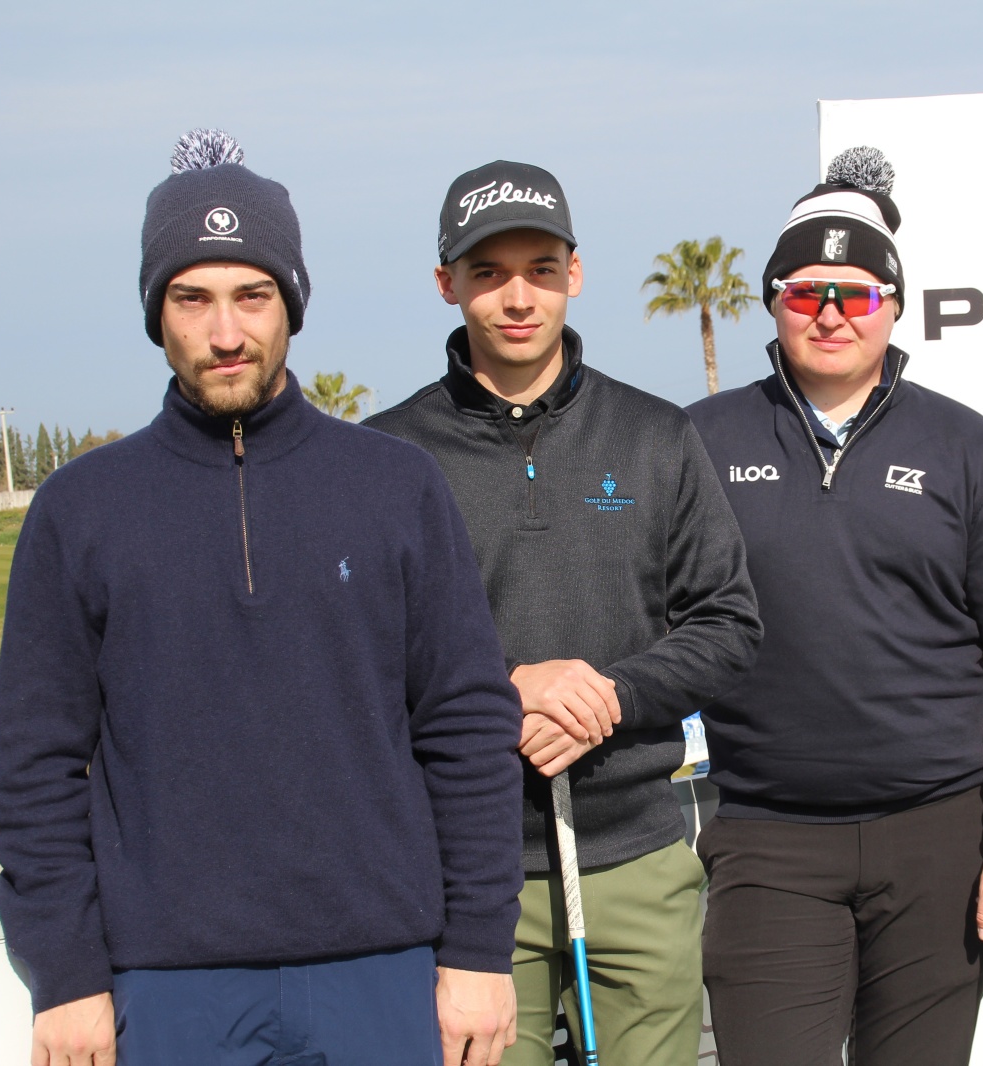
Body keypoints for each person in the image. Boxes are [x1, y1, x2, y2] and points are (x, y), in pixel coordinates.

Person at [0, 130, 524, 1066]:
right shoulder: (81, 509)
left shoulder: (395, 486)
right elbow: (36, 765)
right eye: (192, 298)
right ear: (156, 312)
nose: (226, 333)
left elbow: (467, 726)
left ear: (293, 304)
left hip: (382, 972)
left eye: (252, 295)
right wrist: (64, 973)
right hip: (165, 987)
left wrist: (479, 950)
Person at [365, 160, 761, 1066]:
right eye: (488, 272)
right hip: (464, 876)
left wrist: (608, 696)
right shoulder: (385, 458)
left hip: (636, 861)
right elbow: (356, 659)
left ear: (574, 274)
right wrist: (506, 693)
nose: (518, 297)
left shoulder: (656, 435)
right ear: (447, 283)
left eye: (541, 269)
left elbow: (729, 622)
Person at [685, 146, 983, 1066]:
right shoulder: (697, 441)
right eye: (805, 291)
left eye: (854, 294)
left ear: (892, 304)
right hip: (767, 840)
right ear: (772, 300)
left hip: (942, 840)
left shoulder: (968, 448)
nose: (829, 314)